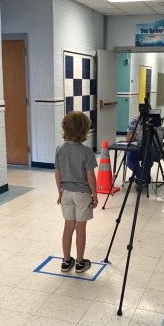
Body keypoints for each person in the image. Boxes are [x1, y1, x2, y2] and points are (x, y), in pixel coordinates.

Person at [55, 111, 98, 273]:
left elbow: (57, 173)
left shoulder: (60, 149)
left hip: (66, 193)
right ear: (84, 130)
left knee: (68, 227)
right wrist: (95, 194)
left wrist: (60, 192)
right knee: (80, 228)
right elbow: (90, 176)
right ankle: (80, 262)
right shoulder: (86, 152)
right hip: (82, 194)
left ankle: (66, 261)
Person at [126, 115, 157, 185]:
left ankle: (140, 178)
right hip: (136, 148)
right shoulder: (135, 120)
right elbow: (127, 137)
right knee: (130, 161)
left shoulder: (154, 120)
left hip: (150, 148)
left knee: (148, 161)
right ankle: (144, 177)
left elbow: (157, 137)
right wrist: (131, 137)